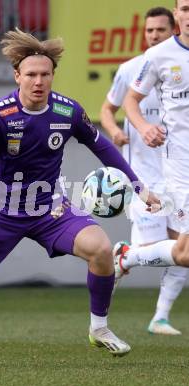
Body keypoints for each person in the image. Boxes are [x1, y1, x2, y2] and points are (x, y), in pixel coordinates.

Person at [0, 28, 159, 366]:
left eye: (45, 74)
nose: (38, 81)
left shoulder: (68, 112)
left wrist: (138, 186)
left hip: (50, 209)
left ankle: (99, 328)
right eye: (31, 74)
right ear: (17, 75)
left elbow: (103, 146)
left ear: (52, 76)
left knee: (102, 250)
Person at [100, 7, 186, 335]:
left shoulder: (179, 65)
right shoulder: (132, 69)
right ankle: (126, 256)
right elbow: (111, 109)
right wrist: (117, 131)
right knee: (164, 253)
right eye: (149, 31)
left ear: (171, 28)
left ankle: (160, 316)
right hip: (144, 178)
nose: (153, 36)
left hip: (175, 172)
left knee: (182, 248)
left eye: (159, 30)